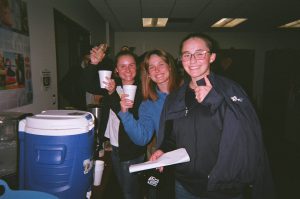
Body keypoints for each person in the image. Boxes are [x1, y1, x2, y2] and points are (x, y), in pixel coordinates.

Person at [150, 33, 275, 199]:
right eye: (187, 55)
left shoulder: (230, 90)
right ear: (181, 60)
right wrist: (163, 149)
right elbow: (172, 135)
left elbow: (246, 133)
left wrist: (215, 100)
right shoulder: (176, 98)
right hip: (185, 184)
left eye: (200, 53)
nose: (192, 60)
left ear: (212, 57)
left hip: (223, 187)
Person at [118, 49, 181, 199]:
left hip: (192, 163)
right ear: (148, 74)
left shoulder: (188, 93)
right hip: (165, 162)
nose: (157, 70)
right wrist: (125, 114)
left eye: (161, 64)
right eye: (151, 67)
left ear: (170, 66)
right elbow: (142, 138)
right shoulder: (148, 104)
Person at [97, 47, 146, 199]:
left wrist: (112, 95)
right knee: (123, 185)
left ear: (136, 67)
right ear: (116, 70)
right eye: (123, 66)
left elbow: (126, 116)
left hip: (130, 149)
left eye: (131, 65)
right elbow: (86, 84)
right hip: (115, 147)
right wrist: (95, 64)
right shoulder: (113, 85)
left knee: (128, 191)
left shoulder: (143, 91)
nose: (128, 69)